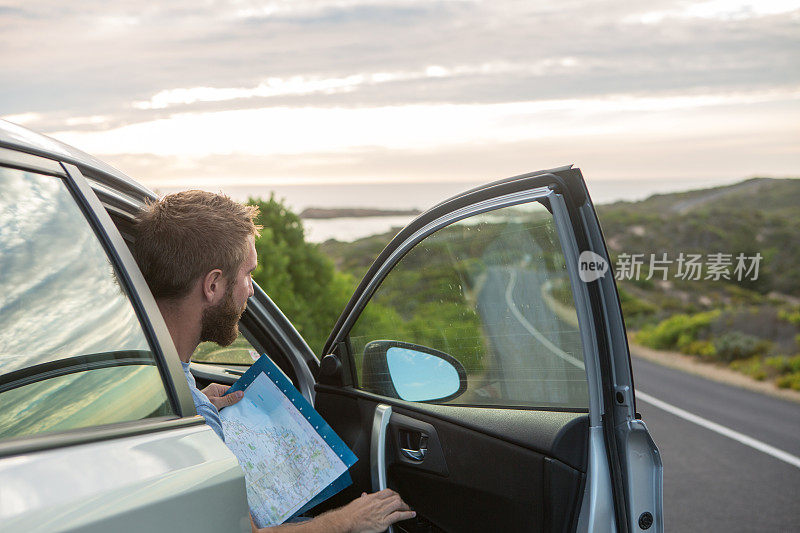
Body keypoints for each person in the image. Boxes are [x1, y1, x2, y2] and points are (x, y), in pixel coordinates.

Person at [131, 190, 415, 533]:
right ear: (213, 284)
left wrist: (195, 400)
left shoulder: (142, 368)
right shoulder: (189, 410)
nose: (251, 290)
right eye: (248, 274)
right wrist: (348, 520)